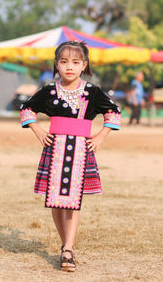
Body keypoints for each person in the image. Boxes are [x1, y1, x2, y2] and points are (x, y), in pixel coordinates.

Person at [20, 41, 121, 272]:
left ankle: (68, 249)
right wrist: (37, 129)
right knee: (56, 201)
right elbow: (26, 108)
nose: (69, 67)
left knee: (73, 203)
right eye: (64, 62)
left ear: (84, 65)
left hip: (80, 152)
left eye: (75, 62)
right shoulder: (49, 90)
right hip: (54, 151)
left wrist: (100, 136)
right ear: (56, 64)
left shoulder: (92, 92)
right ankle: (65, 243)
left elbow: (113, 112)